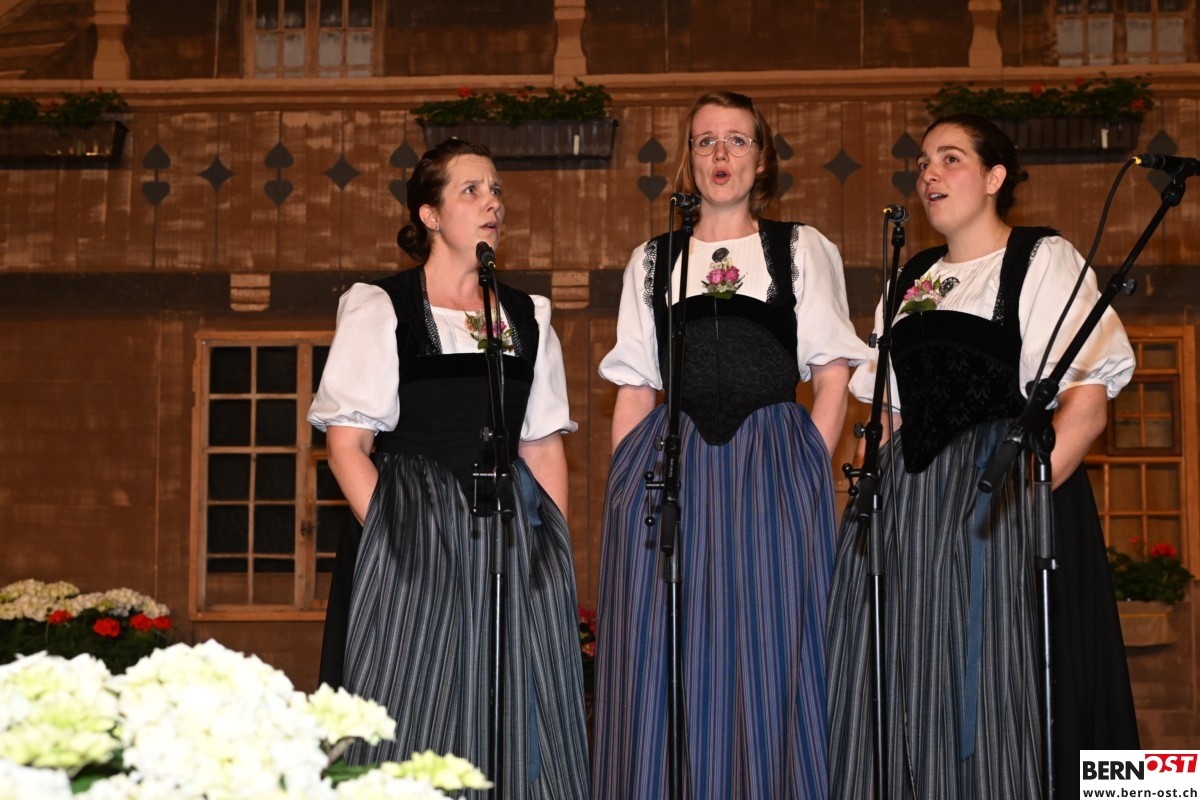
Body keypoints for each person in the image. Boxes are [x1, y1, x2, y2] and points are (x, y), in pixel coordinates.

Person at [827, 113, 1139, 799]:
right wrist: (860, 506)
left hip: (997, 496)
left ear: (995, 177)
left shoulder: (1039, 258)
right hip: (909, 509)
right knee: (899, 678)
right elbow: (885, 415)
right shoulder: (912, 276)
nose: (929, 174)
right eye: (923, 163)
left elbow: (1087, 404)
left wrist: (1012, 502)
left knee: (997, 680)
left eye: (951, 158)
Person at [591, 90, 867, 799]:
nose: (720, 153)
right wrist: (625, 496)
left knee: (771, 643)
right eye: (705, 140)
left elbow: (832, 376)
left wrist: (806, 471)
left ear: (762, 158)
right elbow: (636, 390)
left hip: (772, 461)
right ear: (689, 159)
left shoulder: (800, 249)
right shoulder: (653, 259)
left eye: (737, 140)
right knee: (668, 647)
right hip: (672, 463)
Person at [308, 138, 590, 798]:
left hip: (508, 539)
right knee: (409, 712)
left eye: (496, 191)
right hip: (412, 536)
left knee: (515, 715)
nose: (492, 203)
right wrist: (401, 542)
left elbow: (542, 447)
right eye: (471, 190)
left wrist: (551, 553)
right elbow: (347, 446)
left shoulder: (527, 315)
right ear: (429, 215)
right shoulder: (383, 306)